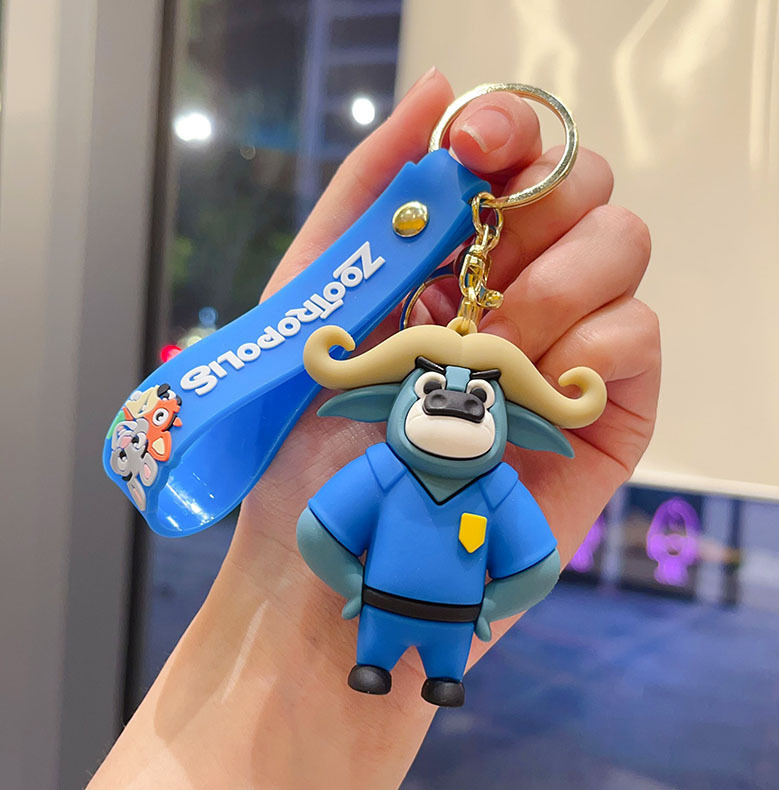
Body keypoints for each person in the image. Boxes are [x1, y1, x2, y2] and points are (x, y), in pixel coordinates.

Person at [88, 67, 659, 789]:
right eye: (436, 389)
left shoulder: (491, 488)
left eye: (477, 398)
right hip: (381, 614)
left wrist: (488, 602)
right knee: (381, 652)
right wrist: (324, 595)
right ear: (389, 397)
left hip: (436, 622)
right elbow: (318, 533)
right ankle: (379, 661)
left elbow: (532, 566)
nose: (456, 406)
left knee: (431, 662)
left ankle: (429, 669)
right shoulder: (387, 470)